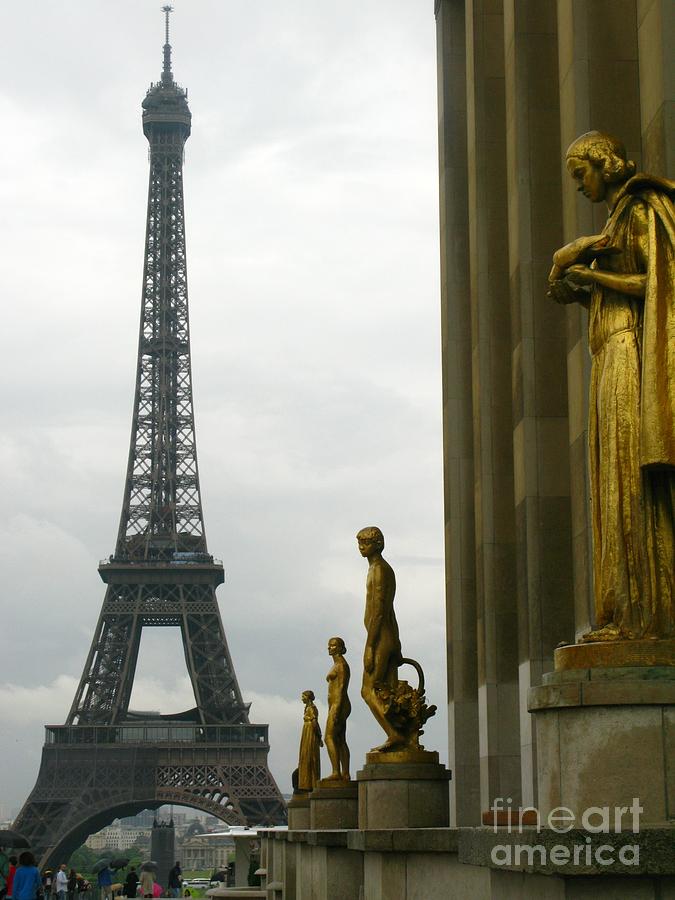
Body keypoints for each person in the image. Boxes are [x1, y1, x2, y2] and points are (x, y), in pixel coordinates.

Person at [548, 131, 675, 641]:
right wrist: (577, 278)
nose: (579, 186)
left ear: (603, 164)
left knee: (627, 482)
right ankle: (621, 612)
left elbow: (656, 282)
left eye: (581, 174)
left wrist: (592, 273)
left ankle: (643, 616)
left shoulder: (641, 209)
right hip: (609, 355)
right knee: (610, 486)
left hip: (628, 354)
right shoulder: (615, 220)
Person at [357, 526, 405, 749]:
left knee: (367, 690)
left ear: (377, 544)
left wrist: (369, 646)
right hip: (387, 636)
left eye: (365, 543)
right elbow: (390, 611)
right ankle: (400, 737)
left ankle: (394, 734)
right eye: (359, 543)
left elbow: (379, 610)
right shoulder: (382, 569)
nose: (361, 547)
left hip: (379, 638)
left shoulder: (378, 570)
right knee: (389, 693)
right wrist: (397, 642)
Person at [324, 637, 351, 781]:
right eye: (329, 645)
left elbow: (341, 688)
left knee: (329, 737)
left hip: (338, 704)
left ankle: (336, 772)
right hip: (337, 704)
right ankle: (345, 773)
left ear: (340, 648)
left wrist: (336, 708)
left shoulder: (341, 665)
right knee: (340, 739)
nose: (329, 648)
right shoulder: (338, 664)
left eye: (333, 645)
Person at [297, 690, 322, 791]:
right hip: (307, 731)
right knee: (306, 756)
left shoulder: (312, 708)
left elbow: (315, 723)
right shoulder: (308, 708)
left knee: (309, 755)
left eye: (303, 696)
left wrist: (319, 736)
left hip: (310, 732)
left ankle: (310, 783)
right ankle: (307, 783)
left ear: (308, 697)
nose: (302, 698)